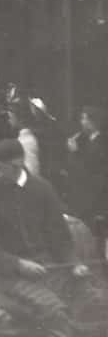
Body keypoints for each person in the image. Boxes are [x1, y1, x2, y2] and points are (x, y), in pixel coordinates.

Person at [0, 138, 88, 333]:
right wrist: (18, 263)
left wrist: (74, 263)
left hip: (50, 268)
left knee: (92, 301)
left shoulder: (43, 188)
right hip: (8, 276)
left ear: (16, 164)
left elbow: (60, 237)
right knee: (55, 313)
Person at [67, 107, 108, 256]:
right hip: (91, 197)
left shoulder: (101, 143)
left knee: (97, 238)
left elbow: (89, 172)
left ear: (93, 122)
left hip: (95, 199)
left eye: (84, 119)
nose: (82, 122)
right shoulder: (91, 141)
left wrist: (75, 152)